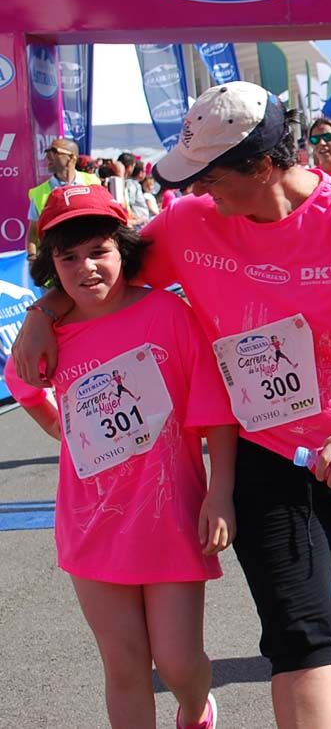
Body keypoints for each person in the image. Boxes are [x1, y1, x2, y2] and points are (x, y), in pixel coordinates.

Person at [13, 81, 331, 729]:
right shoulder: (190, 222)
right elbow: (104, 268)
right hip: (267, 451)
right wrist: (43, 311)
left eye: (209, 176)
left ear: (263, 165)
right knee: (296, 631)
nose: (196, 189)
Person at [9, 183, 236, 729]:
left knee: (179, 663)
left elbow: (217, 409)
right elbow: (24, 385)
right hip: (91, 524)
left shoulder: (168, 314)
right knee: (124, 665)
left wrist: (220, 493)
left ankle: (195, 710)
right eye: (68, 257)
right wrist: (61, 429)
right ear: (50, 266)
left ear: (124, 250)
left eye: (99, 251)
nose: (86, 268)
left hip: (172, 517)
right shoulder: (50, 333)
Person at [27, 137, 100, 259]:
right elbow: (33, 232)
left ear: (72, 158)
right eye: (47, 151)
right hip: (57, 261)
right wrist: (32, 256)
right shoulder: (39, 193)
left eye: (54, 151)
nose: (48, 156)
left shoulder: (93, 182)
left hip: (90, 257)